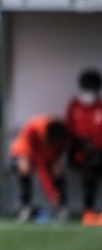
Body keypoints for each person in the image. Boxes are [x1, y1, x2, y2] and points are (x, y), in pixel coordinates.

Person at [9, 114, 69, 223]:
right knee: (24, 167)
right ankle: (25, 207)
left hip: (45, 155)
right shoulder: (33, 131)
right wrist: (51, 193)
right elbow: (41, 165)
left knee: (57, 169)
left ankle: (61, 207)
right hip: (25, 152)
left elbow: (55, 157)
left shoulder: (62, 136)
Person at [65, 68, 102, 226]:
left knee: (95, 161)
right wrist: (81, 142)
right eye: (85, 86)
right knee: (89, 167)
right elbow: (69, 131)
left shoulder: (100, 106)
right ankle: (88, 211)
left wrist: (95, 145)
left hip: (98, 151)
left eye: (91, 87)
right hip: (79, 152)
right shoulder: (74, 105)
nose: (88, 90)